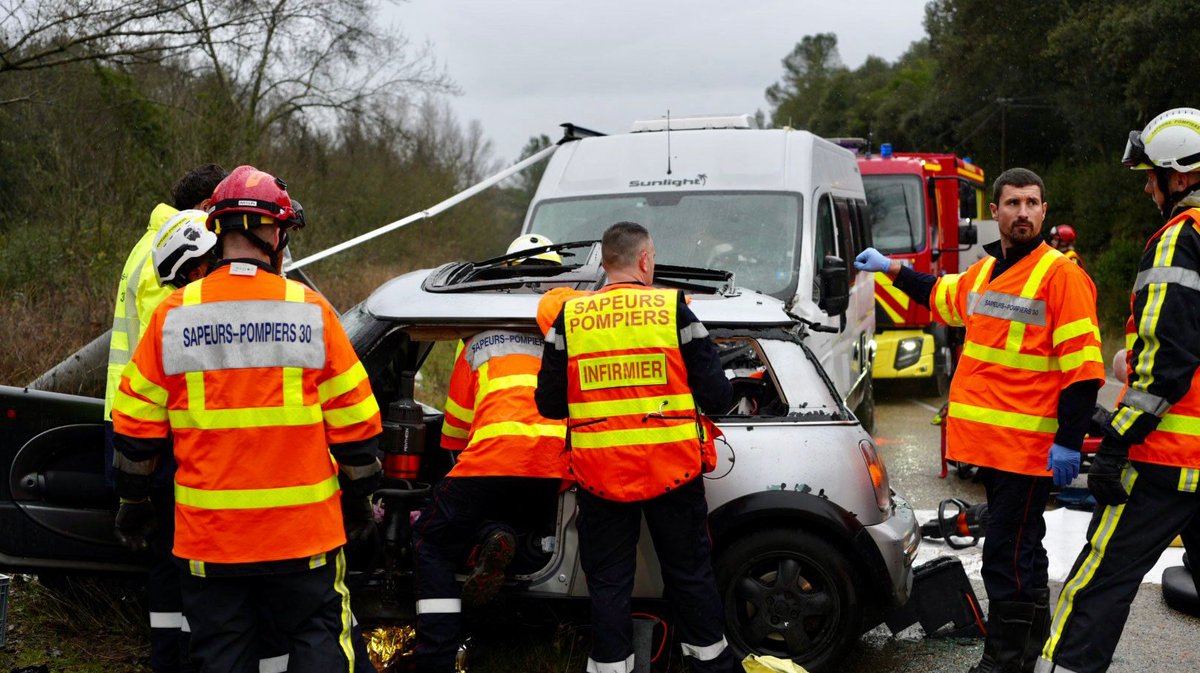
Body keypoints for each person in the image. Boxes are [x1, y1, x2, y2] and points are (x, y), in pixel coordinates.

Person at [110, 165, 383, 673]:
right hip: (305, 536)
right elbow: (358, 428)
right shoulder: (310, 310)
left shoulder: (173, 315)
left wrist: (132, 503)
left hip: (211, 540)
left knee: (220, 654)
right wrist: (361, 504)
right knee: (320, 640)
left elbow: (133, 432)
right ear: (275, 234)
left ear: (217, 230)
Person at [855, 168, 1105, 673]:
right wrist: (892, 269)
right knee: (1025, 551)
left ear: (1043, 211)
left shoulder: (1061, 275)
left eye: (1032, 203)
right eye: (1013, 204)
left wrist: (1070, 442)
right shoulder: (986, 274)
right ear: (995, 212)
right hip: (994, 449)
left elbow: (1084, 371)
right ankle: (1030, 649)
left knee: (1006, 559)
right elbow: (941, 294)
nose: (1023, 213)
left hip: (1029, 450)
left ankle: (1003, 664)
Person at [1036, 107, 1200, 673]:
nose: (1149, 188)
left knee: (1097, 584)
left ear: (1179, 177)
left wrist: (1116, 439)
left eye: (1152, 175)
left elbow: (1168, 361)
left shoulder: (1181, 239)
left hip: (1167, 460)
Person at [535, 221, 739, 673]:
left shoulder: (570, 319)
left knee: (608, 585)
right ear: (645, 260)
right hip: (672, 471)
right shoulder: (673, 309)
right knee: (689, 577)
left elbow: (548, 404)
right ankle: (710, 667)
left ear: (605, 263)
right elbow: (718, 396)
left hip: (599, 476)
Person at [410, 235, 571, 673]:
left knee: (433, 540)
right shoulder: (569, 329)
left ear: (504, 276)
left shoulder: (481, 332)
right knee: (529, 528)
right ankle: (507, 540)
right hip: (556, 464)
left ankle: (436, 658)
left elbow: (457, 431)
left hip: (494, 456)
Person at [103, 165, 227, 673]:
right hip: (151, 426)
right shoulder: (172, 254)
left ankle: (173, 655)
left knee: (168, 555)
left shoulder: (149, 243)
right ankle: (173, 660)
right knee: (174, 557)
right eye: (218, 213)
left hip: (136, 417)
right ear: (202, 207)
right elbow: (177, 340)